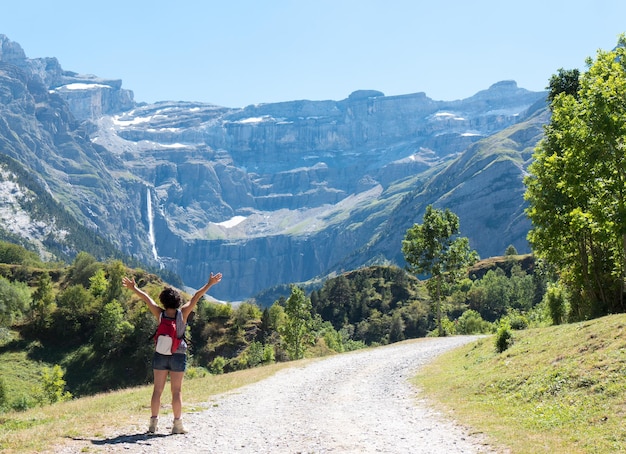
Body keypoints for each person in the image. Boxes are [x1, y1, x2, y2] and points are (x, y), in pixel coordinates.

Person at [122, 272, 223, 434]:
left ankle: (153, 425)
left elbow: (146, 298)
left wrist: (134, 288)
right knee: (176, 391)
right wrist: (210, 283)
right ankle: (177, 425)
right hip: (178, 355)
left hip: (160, 354)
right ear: (178, 301)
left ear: (163, 301)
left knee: (157, 390)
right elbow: (196, 296)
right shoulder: (183, 313)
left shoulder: (159, 314)